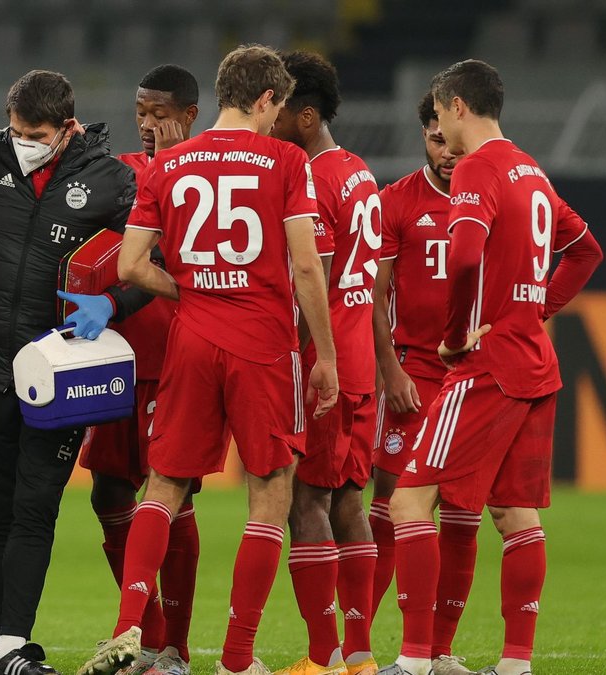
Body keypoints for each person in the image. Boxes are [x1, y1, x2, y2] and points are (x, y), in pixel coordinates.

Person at [80, 44, 339, 675]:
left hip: (191, 340)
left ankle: (127, 628)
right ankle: (237, 657)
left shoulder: (168, 163)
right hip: (263, 342)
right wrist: (326, 354)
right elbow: (307, 266)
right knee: (270, 493)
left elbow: (131, 266)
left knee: (163, 486)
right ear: (268, 99)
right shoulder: (286, 160)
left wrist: (193, 290)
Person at [381, 59, 602, 675]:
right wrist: (537, 309)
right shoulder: (530, 170)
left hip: (485, 367)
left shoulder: (478, 168)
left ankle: (415, 660)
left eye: (439, 114)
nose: (441, 132)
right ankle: (515, 664)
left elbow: (464, 256)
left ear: (457, 106)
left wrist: (455, 337)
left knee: (408, 503)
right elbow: (586, 251)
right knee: (514, 515)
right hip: (534, 363)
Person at [0, 69, 149, 675]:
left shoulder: (111, 180)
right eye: (16, 132)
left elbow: (157, 257)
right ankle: (3, 648)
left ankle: (11, 644)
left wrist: (112, 304)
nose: (23, 144)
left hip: (60, 371)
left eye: (36, 136)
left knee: (35, 506)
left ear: (67, 128)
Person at [76, 63, 198, 675]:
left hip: (175, 357)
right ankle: (145, 635)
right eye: (140, 113)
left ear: (189, 116)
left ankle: (174, 646)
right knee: (108, 492)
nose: (147, 124)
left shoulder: (203, 175)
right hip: (116, 357)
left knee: (170, 496)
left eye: (159, 114)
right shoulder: (121, 170)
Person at [267, 51, 380, 675]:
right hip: (360, 360)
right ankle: (359, 654)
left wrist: (303, 353)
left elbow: (319, 273)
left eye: (279, 110)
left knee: (305, 501)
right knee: (348, 502)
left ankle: (323, 656)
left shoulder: (312, 179)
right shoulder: (360, 171)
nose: (271, 121)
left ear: (306, 117)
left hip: (323, 365)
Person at [370, 93, 479, 675]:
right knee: (390, 503)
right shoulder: (397, 201)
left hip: (476, 374)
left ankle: (438, 651)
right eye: (435, 139)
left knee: (462, 511)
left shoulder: (491, 194)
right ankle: (359, 644)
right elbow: (374, 295)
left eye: (450, 139)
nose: (446, 151)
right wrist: (391, 370)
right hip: (415, 371)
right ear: (424, 136)